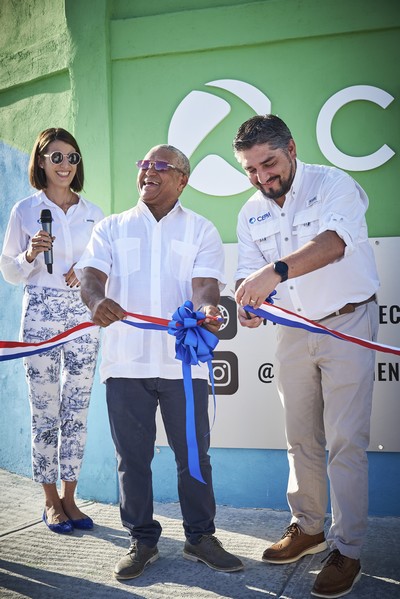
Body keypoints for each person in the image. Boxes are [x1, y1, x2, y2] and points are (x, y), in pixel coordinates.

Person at [76, 144, 243, 580]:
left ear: (182, 180)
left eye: (160, 166)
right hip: (125, 364)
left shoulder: (201, 229)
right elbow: (91, 276)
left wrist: (206, 310)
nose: (148, 170)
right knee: (132, 459)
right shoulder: (111, 228)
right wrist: (96, 300)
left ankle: (200, 538)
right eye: (144, 164)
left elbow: (205, 288)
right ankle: (142, 540)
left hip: (181, 365)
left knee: (194, 457)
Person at [233, 115, 379, 598]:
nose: (262, 177)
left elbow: (334, 244)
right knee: (300, 437)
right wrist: (249, 303)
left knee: (345, 441)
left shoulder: (334, 184)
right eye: (251, 169)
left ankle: (348, 548)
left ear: (292, 148)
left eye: (269, 163)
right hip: (293, 331)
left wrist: (274, 272)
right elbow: (246, 274)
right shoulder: (250, 211)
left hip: (347, 322)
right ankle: (309, 527)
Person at [0, 128, 104, 534]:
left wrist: (87, 269)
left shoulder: (93, 212)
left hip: (82, 313)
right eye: (56, 157)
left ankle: (70, 496)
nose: (65, 165)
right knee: (44, 407)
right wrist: (29, 254)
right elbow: (9, 271)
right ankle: (49, 500)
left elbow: (106, 263)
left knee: (77, 406)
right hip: (40, 310)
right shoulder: (25, 210)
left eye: (72, 157)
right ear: (41, 161)